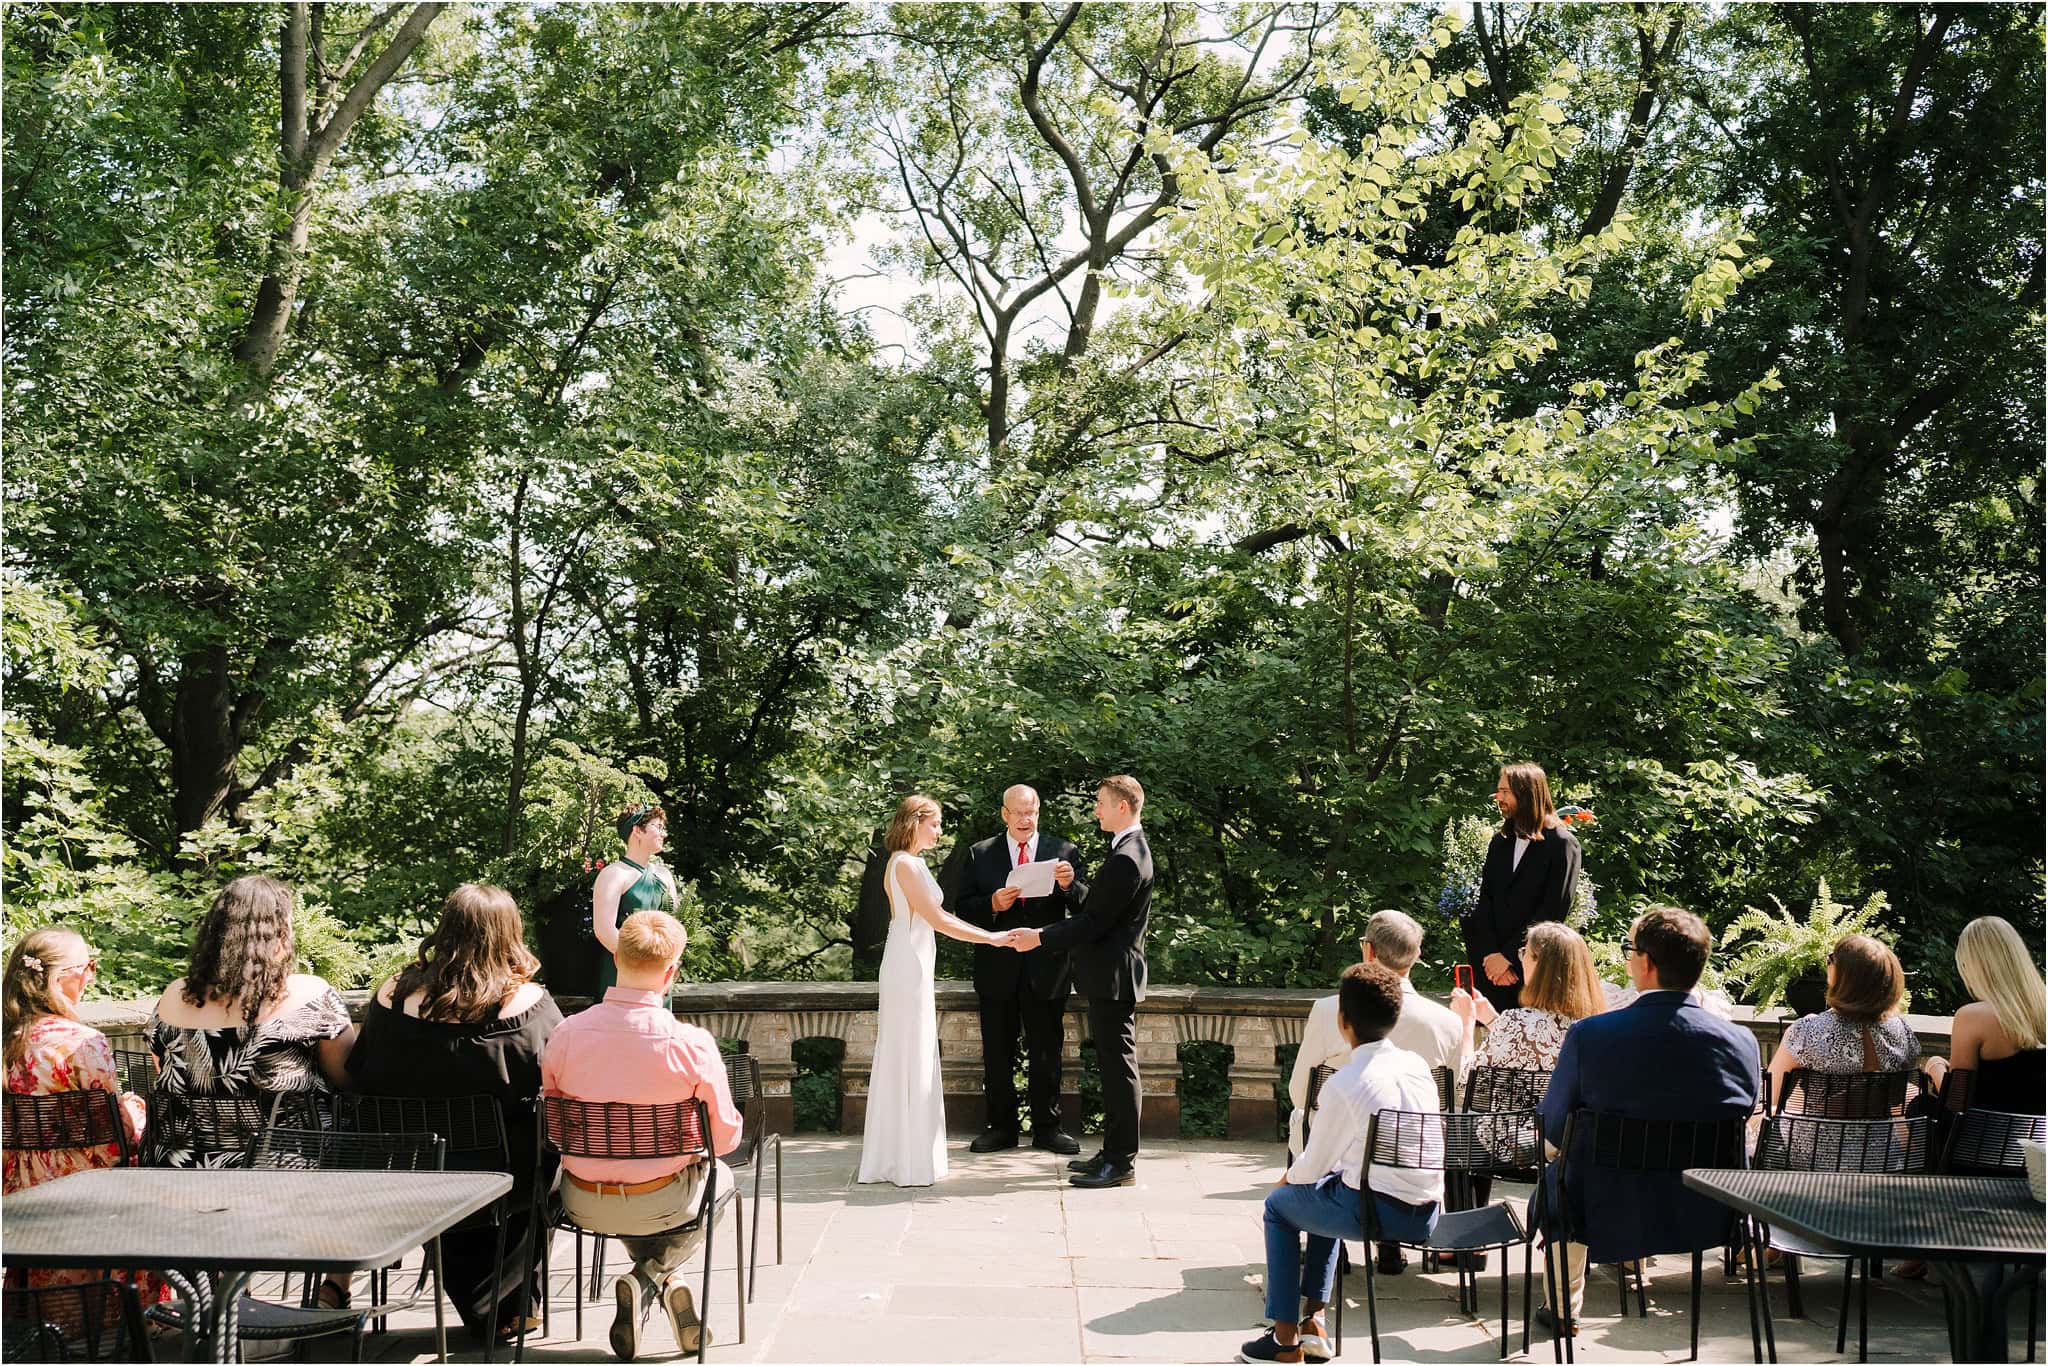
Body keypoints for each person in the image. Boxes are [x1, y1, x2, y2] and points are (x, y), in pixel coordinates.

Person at [345, 884, 564, 1345]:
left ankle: (498, 1301)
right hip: (501, 1180)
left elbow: (359, 1070)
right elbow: (560, 1080)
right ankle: (512, 1301)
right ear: (509, 935)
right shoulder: (528, 1004)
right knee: (544, 1154)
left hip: (409, 1172)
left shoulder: (391, 996)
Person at [1536, 906, 1759, 1334]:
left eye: (1629, 949)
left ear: (1648, 963)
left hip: (1604, 1202)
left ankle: (1563, 1309)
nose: (1625, 959)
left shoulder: (1591, 1036)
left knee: (1564, 1174)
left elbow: (1551, 1126)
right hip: (1707, 1207)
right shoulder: (1741, 1041)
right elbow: (1742, 1115)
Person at [540, 910, 740, 1362]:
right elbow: (723, 1139)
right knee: (722, 1178)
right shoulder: (690, 1043)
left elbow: (555, 1123)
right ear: (671, 973)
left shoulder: (566, 1034)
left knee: (644, 1177)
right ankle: (652, 1277)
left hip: (581, 1199)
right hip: (662, 1199)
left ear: (616, 957)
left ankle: (656, 1283)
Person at [148, 875, 357, 1305]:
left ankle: (226, 1293)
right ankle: (333, 1288)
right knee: (359, 1141)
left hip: (180, 1173)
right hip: (280, 1173)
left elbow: (165, 1077)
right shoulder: (310, 994)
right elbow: (348, 1077)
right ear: (277, 936)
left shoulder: (171, 999)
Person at [1237, 963, 1442, 1365]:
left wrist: (1282, 1182)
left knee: (1279, 1208)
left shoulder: (1347, 1082)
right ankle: (1315, 1323)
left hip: (1376, 1213)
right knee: (1329, 1188)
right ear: (1395, 1017)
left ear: (1343, 1020)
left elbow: (1311, 1165)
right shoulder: (1417, 1068)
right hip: (1426, 1212)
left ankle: (1283, 1341)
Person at [858, 795, 1024, 1187]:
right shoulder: (905, 864)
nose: (940, 831)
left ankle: (905, 1153)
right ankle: (904, 1158)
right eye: (935, 823)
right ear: (915, 822)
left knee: (911, 1051)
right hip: (907, 964)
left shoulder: (906, 863)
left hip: (912, 958)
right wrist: (993, 938)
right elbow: (938, 919)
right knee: (908, 1051)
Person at [3, 928, 165, 1321]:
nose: (92, 976)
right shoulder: (82, 1041)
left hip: (19, 1184)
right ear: (61, 979)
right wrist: (136, 1113)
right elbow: (117, 1136)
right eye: (88, 967)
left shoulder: (7, 1037)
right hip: (84, 1184)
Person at [1287, 910, 1461, 1274]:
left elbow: (1301, 1089)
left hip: (1340, 1145)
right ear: (1415, 955)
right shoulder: (1447, 1021)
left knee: (1304, 1118)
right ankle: (1390, 1245)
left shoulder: (1329, 1010)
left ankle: (1330, 1246)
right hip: (1412, 1151)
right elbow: (1452, 1098)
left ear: (1368, 951)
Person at [1010, 776, 1154, 1189]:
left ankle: (1121, 1162)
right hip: (1109, 975)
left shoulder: (1128, 856)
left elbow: (1095, 923)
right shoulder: (1128, 850)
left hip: (1114, 977)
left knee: (1119, 1070)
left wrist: (1039, 937)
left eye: (1101, 803)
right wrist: (1072, 887)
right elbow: (1099, 906)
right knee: (1111, 1068)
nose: (1096, 809)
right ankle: (1111, 1154)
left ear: (1122, 807)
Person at [950, 784, 1086, 1156]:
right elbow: (962, 908)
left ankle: (1048, 1128)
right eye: (1019, 812)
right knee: (997, 1053)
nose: (1026, 819)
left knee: (1047, 1053)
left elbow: (1087, 909)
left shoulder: (1064, 852)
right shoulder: (981, 854)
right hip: (997, 969)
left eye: (1033, 812)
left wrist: (1070, 886)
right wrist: (992, 904)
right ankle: (1001, 1128)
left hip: (1048, 969)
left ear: (1038, 812)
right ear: (1005, 814)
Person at [1461, 764, 1582, 1013]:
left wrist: (1507, 958)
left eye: (1505, 791)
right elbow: (1486, 900)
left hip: (1533, 969)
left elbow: (1552, 912)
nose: (1499, 798)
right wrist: (1490, 956)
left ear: (1526, 793)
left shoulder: (1562, 845)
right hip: (1490, 969)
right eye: (1499, 791)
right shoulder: (1501, 842)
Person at [1765, 934, 1918, 1110]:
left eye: (1831, 958)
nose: (1827, 962)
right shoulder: (1902, 1030)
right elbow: (1899, 1098)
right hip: (1880, 1136)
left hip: (1818, 1136)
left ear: (1845, 978)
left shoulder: (1807, 1031)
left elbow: (1770, 1097)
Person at [1923, 916, 2046, 1114]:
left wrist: (1935, 1067)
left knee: (1916, 1104)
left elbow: (1956, 1102)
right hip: (2038, 1140)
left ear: (1971, 966)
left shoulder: (1972, 1017)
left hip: (1985, 1141)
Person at [1449, 921, 1606, 1074]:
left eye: (1525, 952)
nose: (1522, 959)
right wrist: (1491, 1018)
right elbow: (1535, 1041)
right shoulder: (1597, 1025)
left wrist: (1466, 1025)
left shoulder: (1517, 1021)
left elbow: (1465, 1083)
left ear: (1540, 965)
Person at [592, 804, 680, 995]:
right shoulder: (613, 874)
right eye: (658, 827)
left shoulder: (665, 875)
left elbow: (675, 926)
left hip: (659, 976)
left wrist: (664, 963)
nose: (663, 834)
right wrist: (638, 966)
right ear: (637, 831)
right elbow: (604, 930)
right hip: (622, 973)